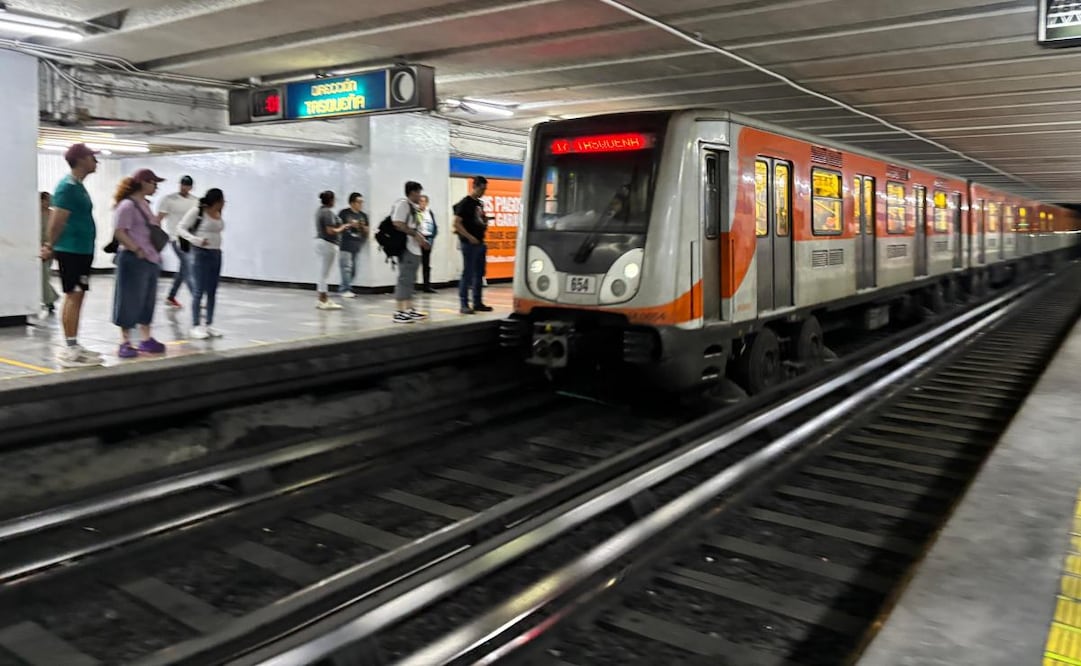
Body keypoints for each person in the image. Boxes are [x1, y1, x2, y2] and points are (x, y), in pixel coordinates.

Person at [40, 143, 103, 368]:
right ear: (81, 160)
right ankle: (69, 349)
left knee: (77, 296)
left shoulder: (78, 186)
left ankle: (74, 344)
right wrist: (49, 245)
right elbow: (57, 220)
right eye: (92, 158)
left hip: (82, 251)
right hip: (71, 251)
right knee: (73, 295)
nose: (96, 161)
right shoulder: (67, 187)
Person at [111, 169, 168, 359]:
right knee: (128, 300)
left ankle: (146, 339)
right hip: (134, 259)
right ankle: (124, 341)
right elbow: (120, 232)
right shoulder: (127, 206)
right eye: (153, 182)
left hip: (149, 260)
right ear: (143, 182)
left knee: (147, 301)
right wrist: (136, 249)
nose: (156, 186)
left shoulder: (144, 204)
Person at [177, 188, 225, 340]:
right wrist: (196, 240)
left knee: (212, 290)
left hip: (216, 253)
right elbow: (181, 228)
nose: (223, 204)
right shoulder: (197, 211)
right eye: (222, 201)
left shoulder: (218, 213)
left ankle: (209, 324)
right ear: (216, 201)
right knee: (198, 290)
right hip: (200, 253)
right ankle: (196, 325)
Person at [452, 176, 493, 314]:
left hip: (480, 242)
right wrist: (469, 237)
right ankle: (464, 304)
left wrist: (485, 222)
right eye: (482, 189)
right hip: (469, 243)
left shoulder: (479, 204)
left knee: (479, 273)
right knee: (468, 273)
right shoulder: (466, 203)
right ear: (475, 186)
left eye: (485, 189)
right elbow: (457, 223)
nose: (483, 192)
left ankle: (477, 302)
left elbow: (479, 219)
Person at [157, 175, 198, 310]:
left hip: (190, 238)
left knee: (184, 268)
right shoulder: (169, 199)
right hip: (175, 238)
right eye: (182, 184)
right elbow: (159, 219)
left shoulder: (195, 201)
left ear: (191, 187)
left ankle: (171, 297)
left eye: (187, 185)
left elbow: (198, 220)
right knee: (189, 265)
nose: (184, 187)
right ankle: (196, 298)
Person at [391, 181, 430, 324]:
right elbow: (397, 223)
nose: (420, 195)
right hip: (406, 247)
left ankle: (410, 308)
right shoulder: (403, 205)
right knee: (404, 279)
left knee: (411, 280)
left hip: (415, 248)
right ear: (412, 192)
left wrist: (420, 238)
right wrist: (415, 234)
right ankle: (399, 311)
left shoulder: (414, 208)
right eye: (418, 192)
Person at [314, 190, 348, 310]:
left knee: (323, 272)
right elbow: (330, 230)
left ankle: (321, 298)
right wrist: (343, 227)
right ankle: (323, 300)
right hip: (328, 243)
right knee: (325, 274)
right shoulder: (327, 212)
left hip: (320, 242)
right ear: (331, 200)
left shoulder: (319, 211)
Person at [337, 192, 369, 299]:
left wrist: (364, 228)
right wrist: (350, 225)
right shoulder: (344, 213)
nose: (360, 204)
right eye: (358, 202)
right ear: (352, 203)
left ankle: (345, 287)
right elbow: (338, 227)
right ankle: (345, 289)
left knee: (354, 269)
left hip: (357, 244)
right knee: (346, 268)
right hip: (345, 244)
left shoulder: (363, 216)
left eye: (361, 202)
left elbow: (367, 231)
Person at [39, 192, 59, 316]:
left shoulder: (53, 214)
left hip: (49, 247)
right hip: (38, 248)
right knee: (43, 274)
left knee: (45, 274)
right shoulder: (35, 214)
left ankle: (50, 299)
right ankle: (49, 299)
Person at [418, 194, 438, 293]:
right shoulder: (415, 212)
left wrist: (432, 237)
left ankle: (427, 285)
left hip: (428, 239)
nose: (422, 203)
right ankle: (412, 285)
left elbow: (434, 226)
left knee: (426, 264)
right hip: (418, 239)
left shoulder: (429, 212)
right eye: (420, 201)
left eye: (424, 201)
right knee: (414, 263)